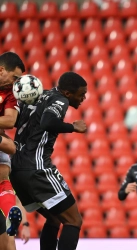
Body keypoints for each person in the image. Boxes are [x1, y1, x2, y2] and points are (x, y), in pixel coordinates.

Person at [9, 72, 87, 250]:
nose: (83, 97)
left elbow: (17, 121)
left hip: (17, 170)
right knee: (73, 220)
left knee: (54, 218)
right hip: (36, 168)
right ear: (68, 93)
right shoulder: (60, 100)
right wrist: (72, 127)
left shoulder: (39, 95)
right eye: (81, 94)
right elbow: (47, 122)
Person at [0, 52, 26, 249]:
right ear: (1, 70)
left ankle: (10, 216)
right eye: (15, 78)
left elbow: (10, 121)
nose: (17, 83)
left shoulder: (10, 93)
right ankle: (10, 213)